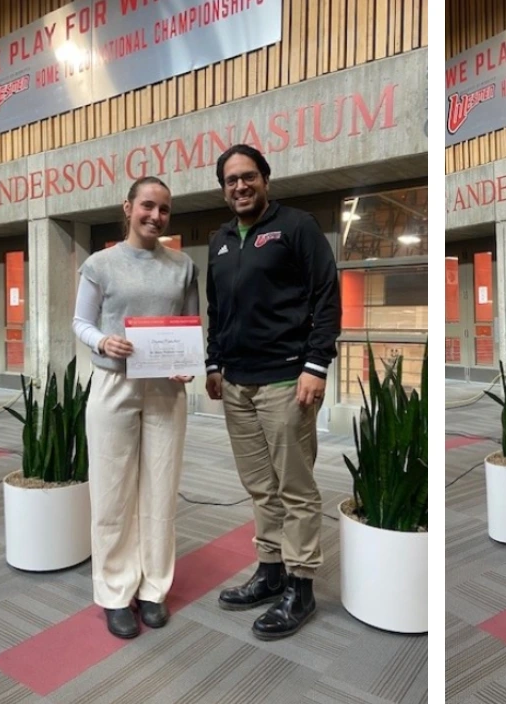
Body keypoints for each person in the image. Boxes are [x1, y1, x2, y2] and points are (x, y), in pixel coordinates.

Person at [204, 144, 341, 641]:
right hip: (236, 383)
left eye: (248, 177)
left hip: (287, 380)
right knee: (260, 486)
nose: (239, 186)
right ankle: (270, 570)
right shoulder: (220, 241)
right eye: (230, 180)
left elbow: (327, 296)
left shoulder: (297, 226)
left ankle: (300, 586)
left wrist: (316, 364)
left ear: (265, 179)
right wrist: (213, 362)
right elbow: (216, 310)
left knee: (295, 488)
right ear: (223, 188)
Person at [73, 176, 198, 639]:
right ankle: (113, 592)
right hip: (113, 385)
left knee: (160, 490)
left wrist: (186, 362)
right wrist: (103, 339)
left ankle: (153, 588)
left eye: (164, 209)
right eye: (147, 206)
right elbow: (80, 322)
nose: (156, 216)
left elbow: (188, 324)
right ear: (127, 207)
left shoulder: (183, 266)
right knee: (112, 492)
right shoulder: (100, 263)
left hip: (165, 390)